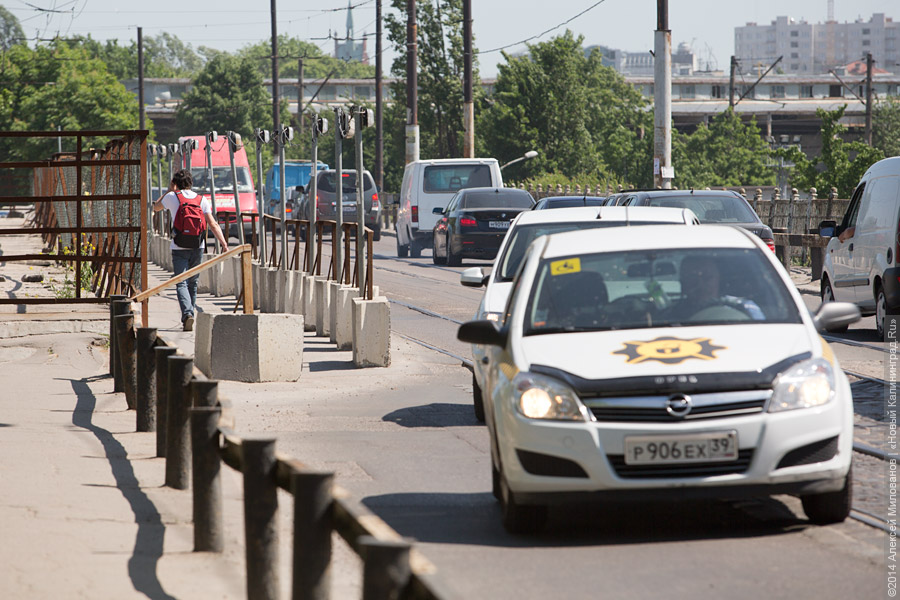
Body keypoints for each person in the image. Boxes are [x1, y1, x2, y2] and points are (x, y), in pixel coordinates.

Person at [152, 169, 228, 331]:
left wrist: (168, 191)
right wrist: (223, 242)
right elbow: (213, 224)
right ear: (191, 182)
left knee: (181, 282)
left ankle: (187, 314)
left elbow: (155, 207)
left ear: (176, 183)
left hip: (179, 246)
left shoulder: (173, 197)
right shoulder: (202, 199)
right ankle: (190, 313)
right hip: (197, 246)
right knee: (192, 283)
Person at [672, 255, 764, 321]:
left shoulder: (746, 309)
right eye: (692, 278)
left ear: (719, 280)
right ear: (682, 284)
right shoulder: (669, 316)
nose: (700, 285)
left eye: (707, 277)